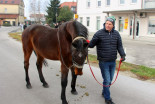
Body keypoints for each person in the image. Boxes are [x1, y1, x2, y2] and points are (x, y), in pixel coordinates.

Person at [88, 16, 126, 104]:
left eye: (110, 24)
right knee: (107, 80)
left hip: (113, 61)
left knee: (110, 80)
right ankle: (107, 99)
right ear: (104, 24)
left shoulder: (116, 34)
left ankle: (104, 91)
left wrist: (123, 55)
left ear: (113, 25)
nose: (108, 25)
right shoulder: (99, 33)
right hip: (103, 61)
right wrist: (88, 42)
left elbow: (119, 46)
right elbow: (91, 45)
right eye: (106, 23)